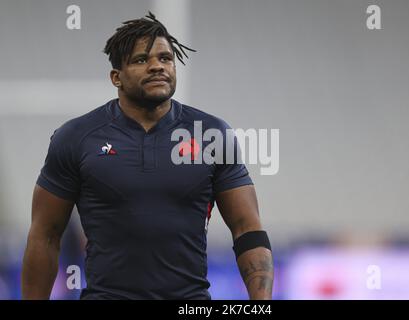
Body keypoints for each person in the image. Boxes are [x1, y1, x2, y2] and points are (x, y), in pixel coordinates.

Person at [21, 11, 273, 300]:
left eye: (165, 58)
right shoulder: (76, 137)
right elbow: (45, 235)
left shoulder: (212, 134)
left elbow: (247, 229)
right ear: (116, 77)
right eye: (142, 60)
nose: (157, 66)